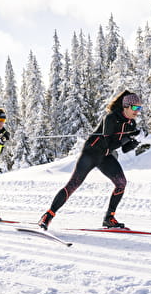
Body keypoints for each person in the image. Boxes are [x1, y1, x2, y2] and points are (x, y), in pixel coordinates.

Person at [38, 90, 143, 230]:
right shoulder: (111, 118)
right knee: (73, 185)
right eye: (135, 107)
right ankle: (47, 216)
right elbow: (108, 143)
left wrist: (137, 141)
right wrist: (129, 137)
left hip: (105, 156)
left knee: (121, 183)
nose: (138, 111)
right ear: (126, 106)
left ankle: (109, 218)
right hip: (91, 153)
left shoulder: (131, 124)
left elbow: (124, 149)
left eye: (139, 108)